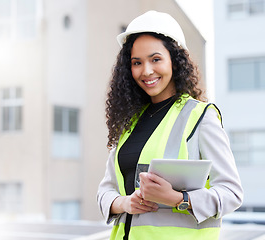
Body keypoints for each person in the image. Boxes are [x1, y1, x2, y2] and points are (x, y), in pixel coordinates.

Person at [97, 10, 243, 240]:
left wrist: (178, 199)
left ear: (175, 60)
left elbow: (232, 193)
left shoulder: (200, 117)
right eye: (137, 62)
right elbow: (105, 190)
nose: (146, 71)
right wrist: (125, 202)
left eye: (156, 59)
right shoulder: (130, 122)